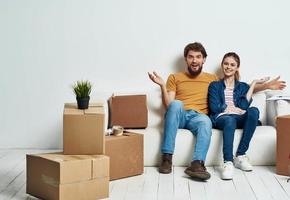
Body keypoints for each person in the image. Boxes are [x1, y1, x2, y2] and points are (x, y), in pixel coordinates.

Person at [148, 42, 286, 181]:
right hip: (181, 114)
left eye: (198, 57)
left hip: (199, 117)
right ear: (186, 59)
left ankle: (197, 164)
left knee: (206, 121)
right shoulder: (175, 77)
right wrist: (162, 86)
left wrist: (266, 85)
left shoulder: (212, 79)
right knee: (176, 104)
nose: (194, 60)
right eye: (190, 57)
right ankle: (166, 158)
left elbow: (238, 89)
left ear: (204, 60)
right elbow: (169, 106)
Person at [208, 52, 270, 180]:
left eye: (232, 64)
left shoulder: (242, 87)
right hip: (222, 118)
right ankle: (228, 162)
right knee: (229, 119)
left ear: (237, 67)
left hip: (237, 117)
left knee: (253, 111)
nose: (228, 67)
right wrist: (228, 108)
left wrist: (253, 83)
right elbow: (214, 107)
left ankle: (240, 155)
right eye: (226, 64)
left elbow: (244, 106)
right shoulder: (214, 85)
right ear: (222, 65)